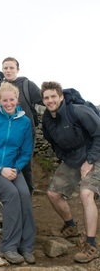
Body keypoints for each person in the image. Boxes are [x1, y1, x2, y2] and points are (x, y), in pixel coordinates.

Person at [41, 81, 100, 263]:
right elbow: (53, 142)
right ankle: (71, 226)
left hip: (94, 154)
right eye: (46, 97)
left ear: (61, 97)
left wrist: (89, 161)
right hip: (72, 158)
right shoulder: (46, 119)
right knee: (52, 193)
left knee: (86, 193)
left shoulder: (78, 111)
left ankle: (91, 245)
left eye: (53, 96)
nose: (50, 100)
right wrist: (64, 157)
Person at [0, 82, 36, 265]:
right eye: (5, 100)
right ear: (0, 100)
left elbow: (26, 152)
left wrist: (15, 169)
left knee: (25, 194)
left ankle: (26, 247)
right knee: (11, 195)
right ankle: (7, 247)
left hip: (12, 168)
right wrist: (0, 169)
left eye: (12, 100)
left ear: (17, 100)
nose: (8, 103)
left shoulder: (25, 122)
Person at [0, 57, 43, 195]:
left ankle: (27, 194)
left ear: (17, 69)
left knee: (26, 165)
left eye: (11, 67)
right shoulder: (1, 84)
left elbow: (42, 99)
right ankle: (12, 192)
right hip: (8, 129)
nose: (8, 70)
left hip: (26, 129)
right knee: (12, 160)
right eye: (5, 68)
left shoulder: (27, 84)